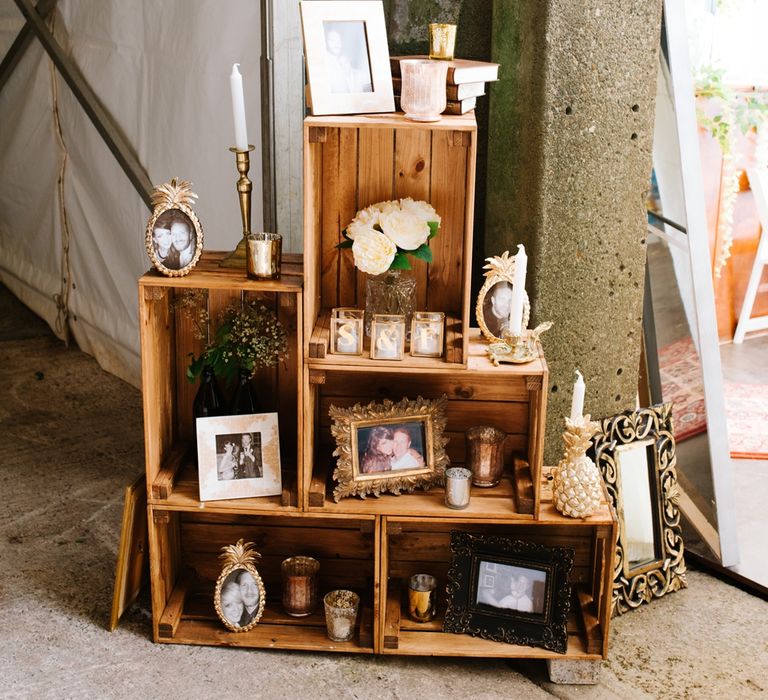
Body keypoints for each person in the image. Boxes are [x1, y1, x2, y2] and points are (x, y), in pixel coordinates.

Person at [324, 27, 372, 94]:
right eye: (332, 41)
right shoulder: (326, 64)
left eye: (339, 41)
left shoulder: (340, 60)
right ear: (325, 42)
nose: (337, 44)